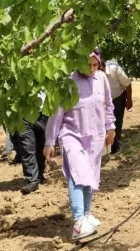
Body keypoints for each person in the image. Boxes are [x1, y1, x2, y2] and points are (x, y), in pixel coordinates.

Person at [44, 50, 116, 240]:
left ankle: (86, 214)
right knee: (78, 175)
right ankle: (78, 222)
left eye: (95, 65)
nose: (91, 69)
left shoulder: (101, 79)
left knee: (90, 174)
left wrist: (111, 127)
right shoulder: (68, 82)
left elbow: (108, 105)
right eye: (88, 65)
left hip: (95, 136)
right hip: (72, 134)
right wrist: (49, 141)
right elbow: (56, 113)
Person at [16, 93, 49, 195]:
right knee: (27, 148)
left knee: (41, 146)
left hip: (44, 114)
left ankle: (39, 175)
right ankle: (32, 180)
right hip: (23, 114)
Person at [102, 57, 133, 154]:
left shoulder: (115, 70)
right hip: (103, 102)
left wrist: (129, 99)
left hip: (117, 98)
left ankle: (115, 147)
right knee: (102, 123)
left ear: (102, 67)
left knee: (117, 122)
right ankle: (104, 148)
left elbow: (127, 84)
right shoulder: (92, 73)